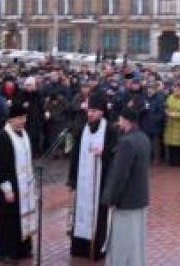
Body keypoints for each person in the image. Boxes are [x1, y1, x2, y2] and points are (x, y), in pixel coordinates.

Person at [67, 95, 119, 261]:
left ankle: (97, 248)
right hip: (83, 181)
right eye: (89, 110)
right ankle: (80, 247)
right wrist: (72, 179)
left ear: (101, 113)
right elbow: (75, 155)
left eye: (94, 111)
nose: (90, 114)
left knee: (99, 215)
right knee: (81, 212)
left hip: (101, 181)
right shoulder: (82, 128)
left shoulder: (110, 130)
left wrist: (104, 153)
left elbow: (115, 154)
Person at [102, 107, 150, 266]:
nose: (118, 122)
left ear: (126, 120)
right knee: (136, 241)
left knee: (122, 243)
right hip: (140, 198)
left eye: (120, 119)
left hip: (126, 202)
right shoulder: (143, 138)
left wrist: (111, 198)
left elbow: (120, 174)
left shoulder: (127, 142)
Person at [0, 95, 37, 264]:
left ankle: (23, 248)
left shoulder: (24, 134)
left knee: (22, 217)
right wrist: (7, 188)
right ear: (11, 119)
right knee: (9, 219)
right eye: (19, 118)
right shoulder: (4, 137)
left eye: (24, 117)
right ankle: (7, 252)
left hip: (24, 184)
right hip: (10, 186)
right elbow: (0, 166)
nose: (23, 121)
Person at [163, 83, 180, 166]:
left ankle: (179, 161)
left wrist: (176, 115)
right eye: (175, 88)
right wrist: (167, 111)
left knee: (179, 145)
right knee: (171, 144)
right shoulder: (170, 97)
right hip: (170, 123)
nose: (176, 90)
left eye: (178, 89)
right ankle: (171, 161)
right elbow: (166, 106)